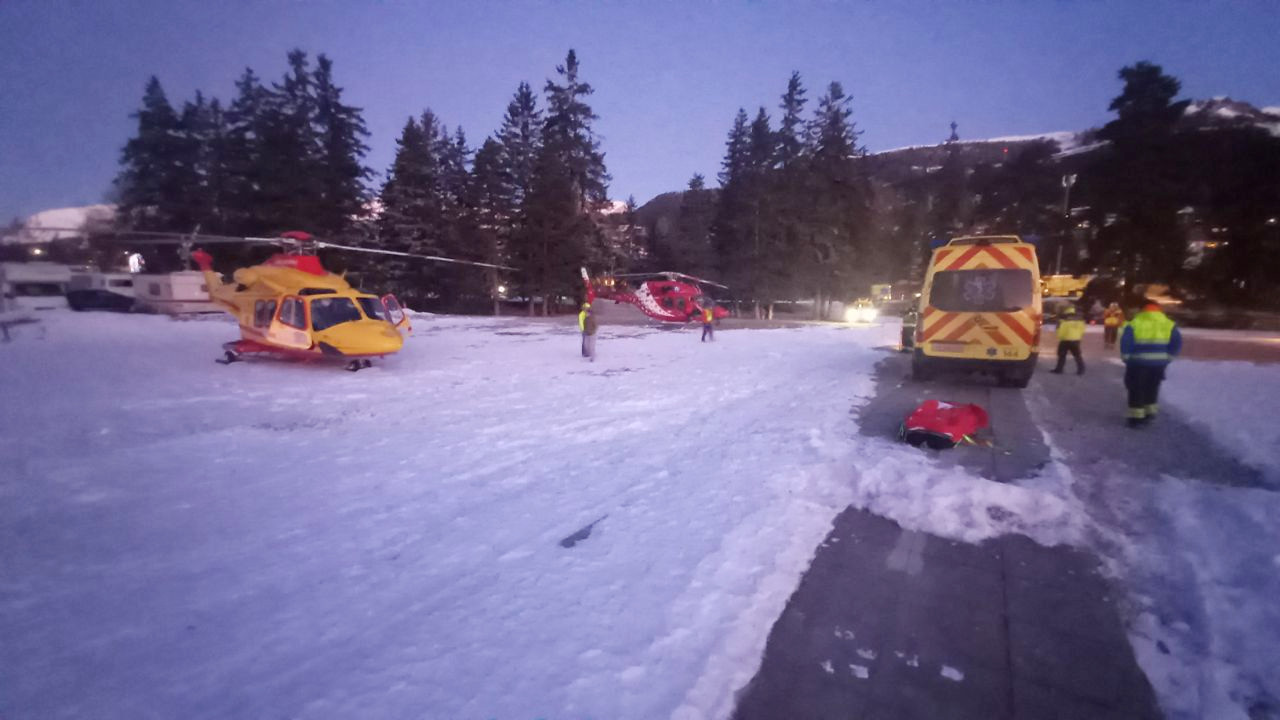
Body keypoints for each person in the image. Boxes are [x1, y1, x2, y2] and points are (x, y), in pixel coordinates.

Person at [1120, 301, 1182, 428]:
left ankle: (1136, 418)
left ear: (1143, 310)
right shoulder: (1169, 324)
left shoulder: (1135, 323)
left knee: (1136, 388)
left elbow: (1126, 342)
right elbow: (1176, 343)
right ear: (1159, 310)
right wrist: (1168, 358)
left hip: (1138, 363)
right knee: (1152, 387)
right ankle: (1150, 414)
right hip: (1159, 363)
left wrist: (1126, 358)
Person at [1049, 305, 1086, 375]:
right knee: (1077, 355)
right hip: (1075, 340)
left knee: (1061, 356)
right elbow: (1082, 329)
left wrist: (1060, 336)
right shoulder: (1079, 319)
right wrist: (1078, 336)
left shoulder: (1063, 319)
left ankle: (1059, 369)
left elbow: (1061, 330)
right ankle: (1081, 370)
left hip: (1065, 340)